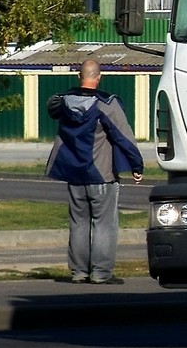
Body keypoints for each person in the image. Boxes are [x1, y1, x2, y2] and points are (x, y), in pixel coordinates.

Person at [45, 58, 145, 285]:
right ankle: (101, 273)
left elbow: (51, 106)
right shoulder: (106, 104)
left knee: (78, 223)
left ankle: (79, 273)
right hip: (101, 174)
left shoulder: (63, 102)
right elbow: (124, 136)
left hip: (73, 175)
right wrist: (136, 166)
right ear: (99, 78)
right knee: (104, 224)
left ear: (79, 77)